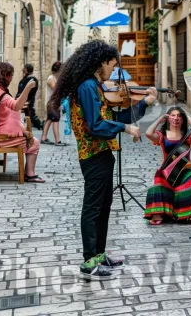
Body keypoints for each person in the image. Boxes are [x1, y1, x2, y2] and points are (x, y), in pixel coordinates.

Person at [48, 40, 158, 280]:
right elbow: (96, 125)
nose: (113, 71)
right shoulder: (87, 86)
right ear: (101, 62)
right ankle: (89, 261)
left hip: (103, 153)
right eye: (112, 65)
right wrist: (126, 128)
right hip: (93, 154)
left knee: (104, 205)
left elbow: (114, 115)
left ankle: (99, 254)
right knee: (93, 206)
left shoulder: (95, 86)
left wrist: (145, 104)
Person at [0, 62, 44, 182]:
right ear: (5, 76)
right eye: (11, 75)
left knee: (24, 131)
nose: (12, 78)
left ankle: (28, 172)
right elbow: (16, 106)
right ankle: (30, 174)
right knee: (34, 142)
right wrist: (28, 87)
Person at [144, 106, 191, 225]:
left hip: (186, 169)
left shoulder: (187, 136)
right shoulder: (162, 135)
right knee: (157, 185)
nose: (176, 118)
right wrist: (160, 118)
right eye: (172, 115)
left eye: (179, 116)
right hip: (167, 170)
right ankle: (159, 213)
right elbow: (148, 133)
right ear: (168, 118)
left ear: (183, 119)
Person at [41, 61, 64, 146]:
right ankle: (57, 140)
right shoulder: (51, 78)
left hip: (54, 102)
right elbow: (55, 89)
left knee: (50, 119)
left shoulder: (56, 78)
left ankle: (44, 137)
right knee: (55, 119)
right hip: (52, 102)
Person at [15, 64, 42, 130]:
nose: (22, 70)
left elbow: (29, 92)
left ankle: (39, 125)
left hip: (27, 102)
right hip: (22, 102)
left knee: (28, 116)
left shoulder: (32, 80)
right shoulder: (24, 80)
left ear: (26, 70)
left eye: (24, 68)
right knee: (24, 117)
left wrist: (26, 101)